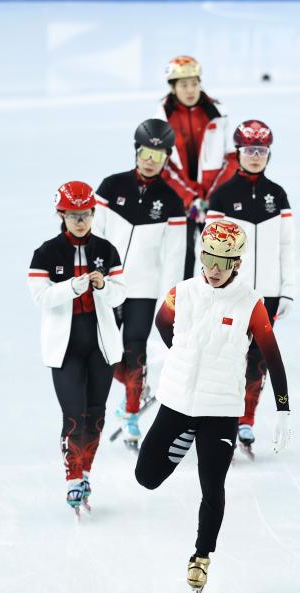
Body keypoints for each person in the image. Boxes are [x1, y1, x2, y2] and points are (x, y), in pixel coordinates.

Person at [135, 220, 291, 593]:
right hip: (177, 402)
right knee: (145, 476)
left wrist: (283, 410)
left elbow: (272, 356)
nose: (214, 269)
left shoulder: (250, 304)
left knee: (212, 486)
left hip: (220, 411)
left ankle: (201, 556)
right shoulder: (182, 293)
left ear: (237, 263)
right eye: (208, 259)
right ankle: (184, 439)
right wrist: (186, 360)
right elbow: (163, 326)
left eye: (224, 261)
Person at [28, 181, 126, 516]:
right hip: (65, 348)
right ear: (61, 215)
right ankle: (72, 476)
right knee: (73, 414)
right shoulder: (46, 253)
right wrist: (72, 286)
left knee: (95, 415)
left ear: (93, 213)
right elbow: (40, 297)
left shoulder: (107, 250)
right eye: (73, 215)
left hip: (100, 345)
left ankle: (85, 472)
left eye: (86, 215)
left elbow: (120, 294)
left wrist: (104, 285)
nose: (81, 221)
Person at [92, 119, 188, 448]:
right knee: (99, 349)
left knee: (136, 351)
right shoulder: (111, 186)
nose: (150, 160)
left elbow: (175, 255)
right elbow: (94, 234)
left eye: (158, 155)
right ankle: (135, 386)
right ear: (136, 151)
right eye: (146, 152)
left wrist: (172, 297)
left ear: (166, 158)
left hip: (143, 290)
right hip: (106, 286)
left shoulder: (172, 202)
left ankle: (131, 411)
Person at [205, 119, 295, 454]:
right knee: (226, 356)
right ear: (238, 152)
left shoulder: (277, 195)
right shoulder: (222, 195)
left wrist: (287, 289)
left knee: (257, 360)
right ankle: (222, 418)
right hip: (231, 293)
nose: (255, 156)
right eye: (249, 150)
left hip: (267, 295)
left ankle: (246, 419)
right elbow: (209, 246)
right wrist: (211, 288)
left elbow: (287, 246)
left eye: (261, 150)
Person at [155, 55, 239, 277]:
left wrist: (213, 196)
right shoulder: (161, 118)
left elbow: (232, 157)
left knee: (220, 258)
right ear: (173, 87)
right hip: (181, 202)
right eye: (184, 85)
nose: (191, 90)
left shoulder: (218, 112)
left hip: (214, 199)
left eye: (195, 83)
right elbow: (162, 166)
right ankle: (182, 299)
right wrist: (191, 199)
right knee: (181, 260)